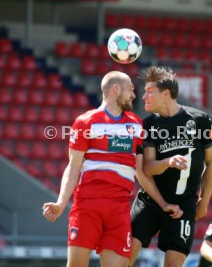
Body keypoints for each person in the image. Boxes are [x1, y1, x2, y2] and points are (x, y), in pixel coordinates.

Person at [42, 71, 182, 267]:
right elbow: (73, 168)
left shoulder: (136, 125)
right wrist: (60, 203)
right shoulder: (85, 122)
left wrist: (163, 202)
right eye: (131, 89)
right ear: (116, 89)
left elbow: (140, 172)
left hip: (119, 208)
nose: (135, 95)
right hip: (87, 205)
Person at [130, 66, 212, 267]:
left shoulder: (201, 121)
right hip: (150, 201)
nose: (143, 96)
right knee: (126, 253)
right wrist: (168, 162)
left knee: (174, 262)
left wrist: (204, 202)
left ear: (166, 93)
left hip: (184, 203)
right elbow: (148, 169)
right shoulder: (148, 125)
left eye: (149, 91)